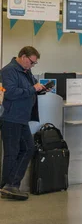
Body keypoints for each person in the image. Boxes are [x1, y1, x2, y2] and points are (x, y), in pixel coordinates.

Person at [0, 46, 45, 201]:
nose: (32, 65)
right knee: (12, 153)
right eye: (32, 62)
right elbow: (11, 93)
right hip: (10, 118)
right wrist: (32, 89)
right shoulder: (9, 71)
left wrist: (40, 89)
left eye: (34, 64)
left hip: (22, 118)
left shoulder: (25, 71)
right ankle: (8, 185)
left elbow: (29, 88)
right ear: (24, 57)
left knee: (28, 148)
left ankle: (11, 184)